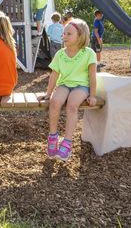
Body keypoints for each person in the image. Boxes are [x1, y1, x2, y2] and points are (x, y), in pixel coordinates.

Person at [38, 19, 97, 161]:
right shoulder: (60, 54)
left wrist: (93, 95)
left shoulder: (89, 53)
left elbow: (92, 77)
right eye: (63, 33)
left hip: (81, 86)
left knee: (72, 105)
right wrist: (48, 93)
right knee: (55, 101)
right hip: (64, 84)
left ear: (80, 36)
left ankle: (67, 142)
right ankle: (53, 136)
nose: (64, 36)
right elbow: (54, 75)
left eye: (69, 34)